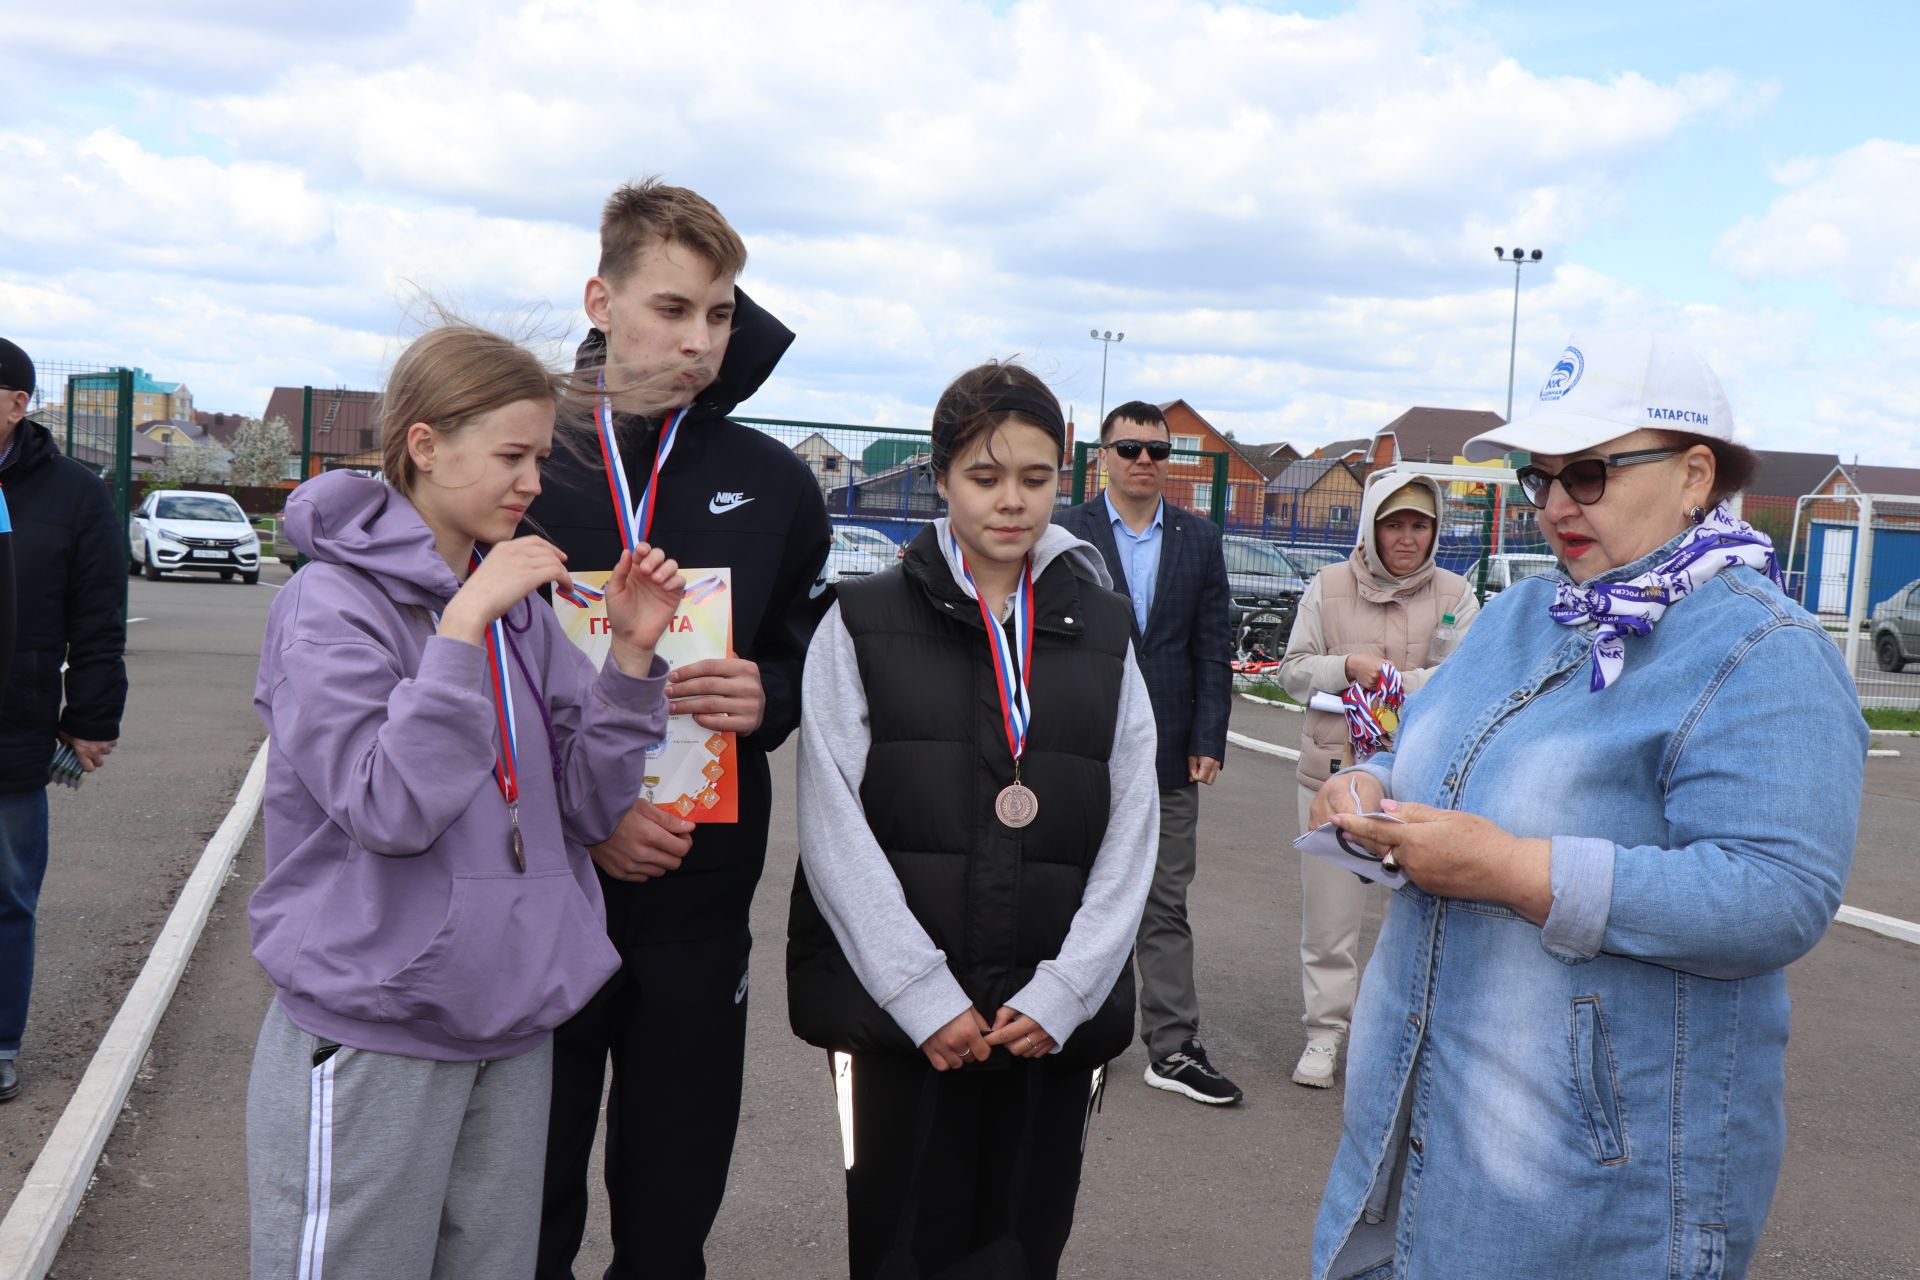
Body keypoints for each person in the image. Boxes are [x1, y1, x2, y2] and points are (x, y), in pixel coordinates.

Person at [1310, 333, 1867, 1280]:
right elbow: (1419, 751)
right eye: (1542, 476)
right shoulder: (1527, 615)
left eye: (1592, 473)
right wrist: (1367, 785)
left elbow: (1775, 895)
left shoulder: (1761, 649)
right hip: (1410, 1134)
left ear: (1696, 476)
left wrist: (1520, 873)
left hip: (1591, 1186)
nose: (1558, 503)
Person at [246, 325, 684, 1279]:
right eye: (512, 456)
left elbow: (586, 803)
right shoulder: (332, 604)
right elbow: (387, 807)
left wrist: (633, 659)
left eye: (539, 457)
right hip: (377, 1023)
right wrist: (460, 627)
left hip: (511, 1019)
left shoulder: (514, 601)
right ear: (425, 444)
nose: (531, 482)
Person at [787, 361, 1157, 1279]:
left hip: (1048, 1018)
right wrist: (920, 992)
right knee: (901, 1249)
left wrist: (1067, 991)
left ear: (1064, 480)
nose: (1011, 502)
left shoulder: (1104, 628)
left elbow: (1133, 823)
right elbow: (831, 822)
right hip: (904, 1022)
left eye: (1035, 479)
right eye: (984, 478)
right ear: (941, 477)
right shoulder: (862, 620)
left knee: (1022, 1253)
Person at [531, 180, 832, 1279]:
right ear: (600, 300)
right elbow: (463, 675)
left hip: (702, 897)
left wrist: (775, 693)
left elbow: (809, 627)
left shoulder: (774, 480)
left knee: (670, 1206)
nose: (698, 341)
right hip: (543, 890)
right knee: (526, 1198)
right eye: (671, 309)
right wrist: (586, 815)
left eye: (720, 316)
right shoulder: (527, 461)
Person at [1054, 400, 1241, 1105]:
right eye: (1129, 448)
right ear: (1102, 455)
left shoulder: (1200, 539)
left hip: (1167, 758)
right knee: (1073, 898)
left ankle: (1173, 1046)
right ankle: (1066, 1030)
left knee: (1164, 902)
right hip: (1077, 751)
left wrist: (1208, 738)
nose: (1143, 461)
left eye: (1157, 452)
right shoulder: (1065, 531)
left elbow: (1210, 647)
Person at [1276, 473, 1477, 1088]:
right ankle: (1324, 1034)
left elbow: (1465, 681)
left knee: (1415, 924)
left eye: (1420, 525)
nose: (1408, 537)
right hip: (1333, 781)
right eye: (1394, 524)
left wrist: (1394, 683)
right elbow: (1291, 672)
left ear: (1435, 530)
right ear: (1371, 527)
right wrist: (1347, 667)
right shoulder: (1328, 586)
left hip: (1421, 788)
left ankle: (1399, 1041)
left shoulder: (1457, 593)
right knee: (1330, 922)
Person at [0, 336, 127, 1107]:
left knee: (7, 897)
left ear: (18, 404)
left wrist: (90, 719)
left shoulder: (74, 496)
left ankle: (0, 1043)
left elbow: (97, 619)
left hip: (13, 731)